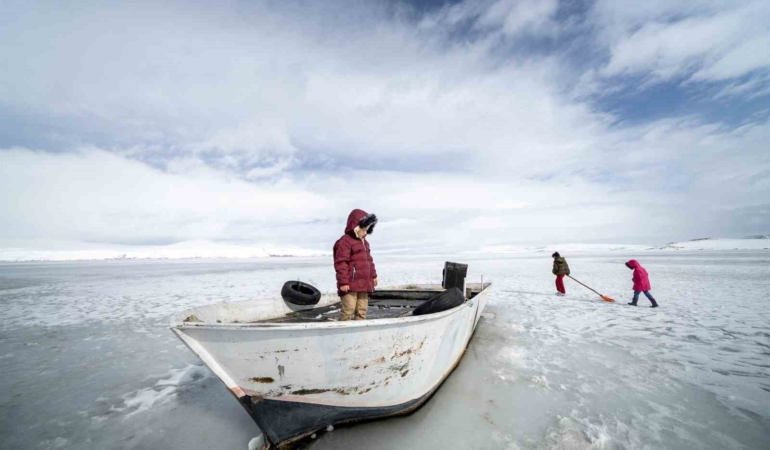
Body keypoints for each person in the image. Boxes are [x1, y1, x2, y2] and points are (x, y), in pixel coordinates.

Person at [333, 209, 378, 320]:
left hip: (364, 282)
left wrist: (373, 276)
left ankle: (360, 328)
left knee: (362, 310)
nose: (365, 232)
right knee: (349, 309)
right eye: (363, 229)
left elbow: (369, 261)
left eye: (367, 230)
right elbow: (341, 262)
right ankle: (343, 328)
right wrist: (343, 282)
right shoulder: (345, 241)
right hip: (350, 283)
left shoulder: (365, 243)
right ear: (355, 227)